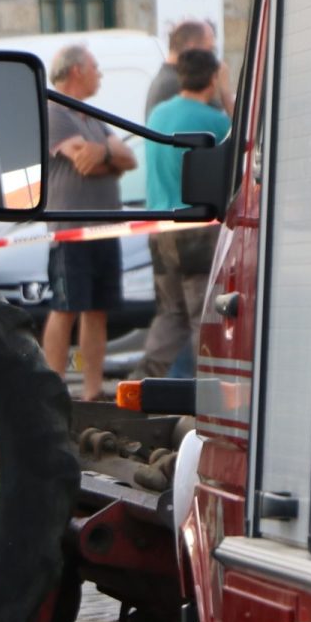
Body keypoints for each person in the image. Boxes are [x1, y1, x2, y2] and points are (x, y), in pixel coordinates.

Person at [42, 44, 136, 403]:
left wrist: (107, 155)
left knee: (97, 310)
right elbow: (83, 160)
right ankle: (54, 388)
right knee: (66, 306)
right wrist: (108, 157)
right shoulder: (56, 113)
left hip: (103, 227)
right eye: (95, 67)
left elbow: (127, 159)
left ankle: (93, 390)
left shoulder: (92, 117)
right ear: (77, 70)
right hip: (71, 228)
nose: (100, 74)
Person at [141, 48, 230, 379]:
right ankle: (207, 392)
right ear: (212, 77)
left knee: (170, 315)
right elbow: (242, 154)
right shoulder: (215, 121)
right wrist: (228, 95)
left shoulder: (158, 115)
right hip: (197, 229)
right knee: (201, 316)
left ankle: (142, 382)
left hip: (159, 227)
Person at [147, 20, 233, 118]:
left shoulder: (167, 78)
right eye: (210, 50)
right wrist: (224, 91)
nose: (213, 59)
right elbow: (222, 125)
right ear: (192, 49)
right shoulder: (180, 83)